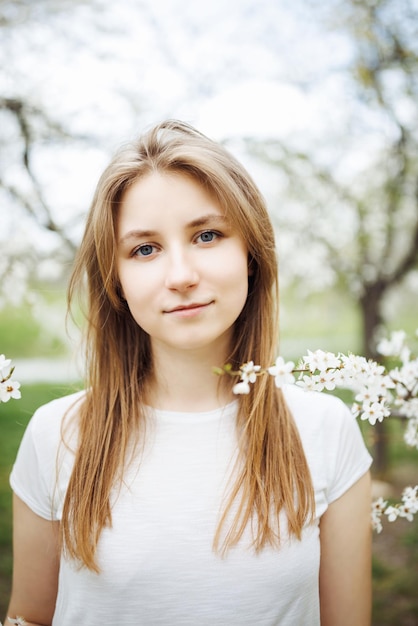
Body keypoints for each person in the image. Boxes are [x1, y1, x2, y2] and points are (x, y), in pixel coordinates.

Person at [5, 120, 372, 626]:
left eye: (207, 235)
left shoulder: (327, 431)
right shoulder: (57, 435)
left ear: (251, 256)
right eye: (145, 249)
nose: (180, 276)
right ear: (117, 283)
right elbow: (28, 617)